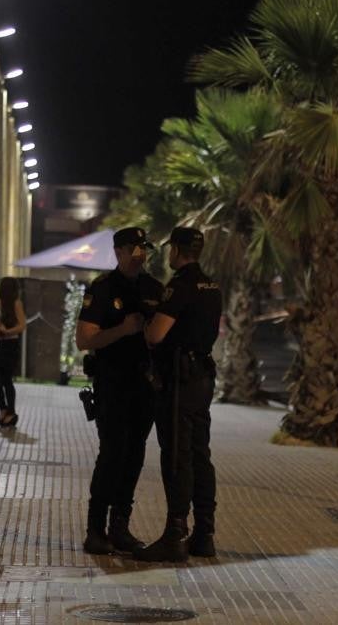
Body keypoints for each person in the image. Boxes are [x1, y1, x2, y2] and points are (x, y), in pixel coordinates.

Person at [134, 227, 223, 563]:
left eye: (172, 249)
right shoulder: (212, 286)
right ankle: (205, 534)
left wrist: (142, 327)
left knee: (177, 456)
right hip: (202, 377)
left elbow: (157, 334)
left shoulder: (180, 285)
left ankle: (174, 535)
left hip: (180, 382)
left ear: (178, 251)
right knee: (201, 455)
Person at [74, 227, 164, 555]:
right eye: (134, 249)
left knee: (135, 454)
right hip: (112, 383)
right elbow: (84, 339)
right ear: (119, 252)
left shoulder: (154, 288)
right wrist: (123, 330)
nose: (140, 255)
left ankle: (120, 527)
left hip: (144, 385)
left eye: (144, 248)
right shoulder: (102, 289)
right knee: (112, 453)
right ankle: (95, 530)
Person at [0, 277, 26, 427]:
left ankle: (10, 412)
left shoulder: (16, 303)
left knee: (5, 379)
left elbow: (22, 326)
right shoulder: (3, 304)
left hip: (11, 345)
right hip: (3, 344)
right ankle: (5, 409)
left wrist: (7, 331)